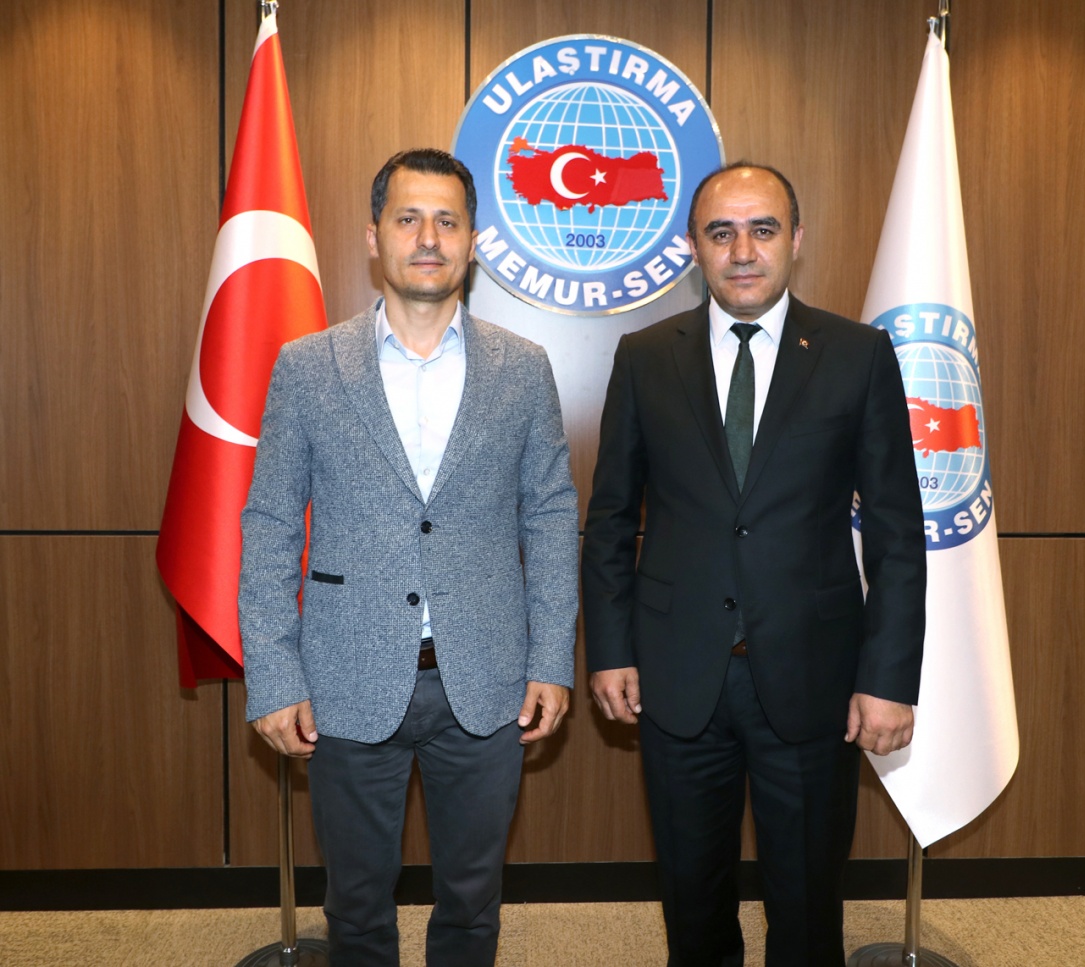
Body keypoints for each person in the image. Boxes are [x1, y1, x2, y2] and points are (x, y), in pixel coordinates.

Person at [239, 148, 578, 967]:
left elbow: (551, 516)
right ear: (374, 237)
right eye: (408, 218)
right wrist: (274, 675)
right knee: (356, 907)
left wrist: (551, 658)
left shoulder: (523, 367)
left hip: (488, 680)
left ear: (472, 243)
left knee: (472, 900)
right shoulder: (308, 367)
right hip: (345, 677)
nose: (429, 237)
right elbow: (270, 522)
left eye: (448, 221)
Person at [581, 163, 926, 966]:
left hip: (813, 677)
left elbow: (896, 532)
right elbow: (610, 520)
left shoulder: (858, 354)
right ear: (693, 247)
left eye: (762, 230)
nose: (743, 251)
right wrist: (612, 649)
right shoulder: (644, 357)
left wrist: (888, 678)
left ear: (795, 239)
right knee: (691, 898)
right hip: (676, 676)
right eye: (721, 232)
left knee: (806, 904)